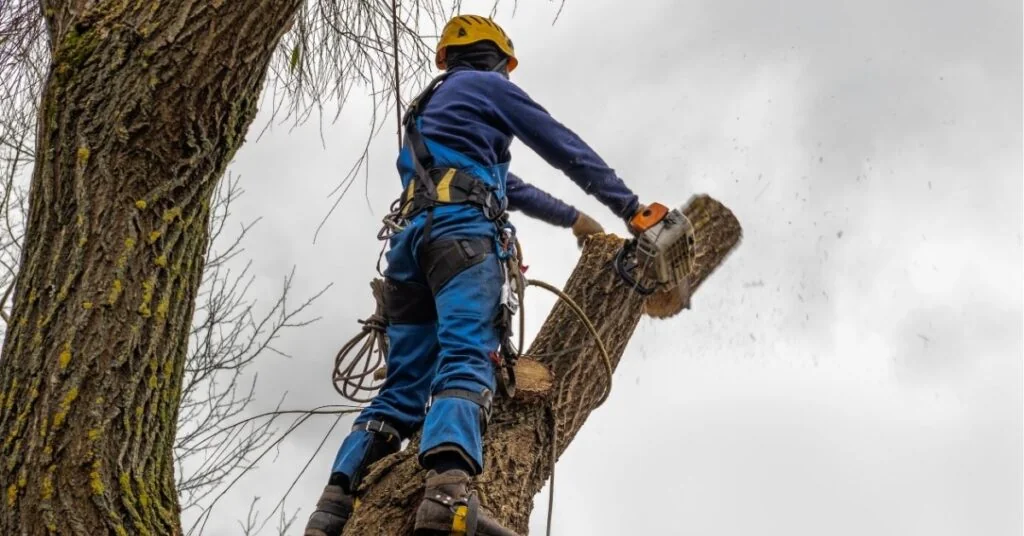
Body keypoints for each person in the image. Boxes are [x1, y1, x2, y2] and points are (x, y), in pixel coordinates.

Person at [304, 14, 643, 536]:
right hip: (462, 240)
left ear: (448, 57)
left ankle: (332, 507)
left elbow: (514, 188)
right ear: (500, 60)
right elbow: (561, 144)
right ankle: (446, 494)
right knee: (466, 355)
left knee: (403, 386)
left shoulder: (431, 111)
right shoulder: (487, 88)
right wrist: (631, 208)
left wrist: (575, 219)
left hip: (409, 250)